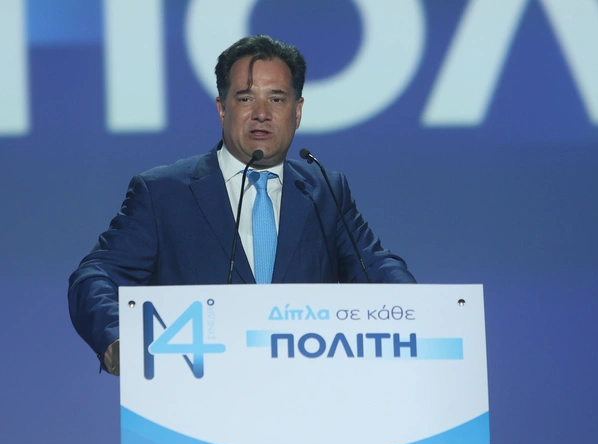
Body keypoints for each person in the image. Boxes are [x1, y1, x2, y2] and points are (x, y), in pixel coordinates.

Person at [68, 35, 415, 376]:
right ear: (222, 109)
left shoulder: (325, 190)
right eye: (246, 98)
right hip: (195, 393)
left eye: (276, 99)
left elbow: (376, 268)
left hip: (307, 393)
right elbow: (96, 275)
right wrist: (117, 339)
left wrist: (420, 314)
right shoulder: (163, 193)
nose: (261, 114)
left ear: (297, 111)